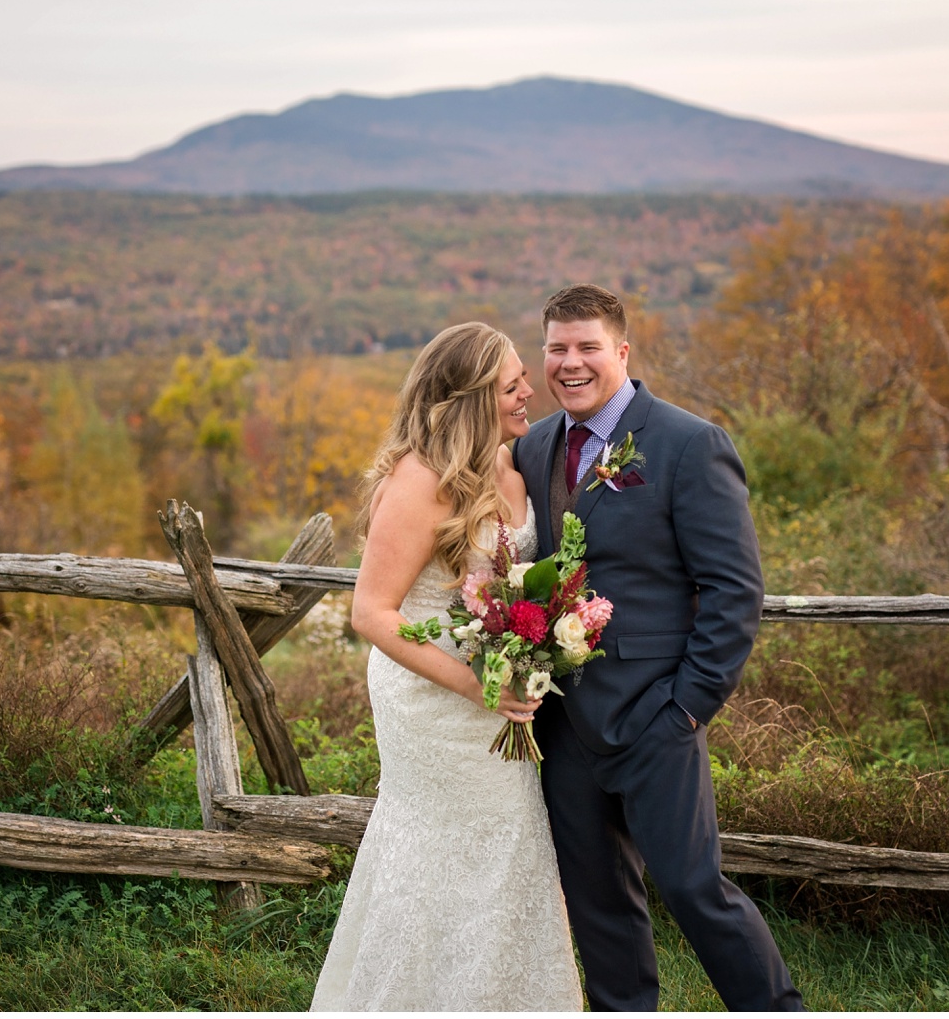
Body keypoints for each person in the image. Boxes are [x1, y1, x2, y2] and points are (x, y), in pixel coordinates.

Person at [513, 284, 804, 1011]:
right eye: (556, 348)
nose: (569, 363)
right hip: (564, 726)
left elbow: (734, 591)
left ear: (622, 352)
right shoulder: (534, 445)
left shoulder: (687, 442)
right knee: (597, 903)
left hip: (657, 718)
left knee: (693, 888)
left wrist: (687, 709)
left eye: (586, 347)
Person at [310, 322, 582, 1012]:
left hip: (505, 689)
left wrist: (533, 649)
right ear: (468, 398)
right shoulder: (420, 478)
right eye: (511, 384)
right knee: (437, 852)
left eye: (525, 375)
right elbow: (372, 613)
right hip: (433, 701)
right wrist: (476, 684)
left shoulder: (517, 465)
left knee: (510, 843)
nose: (530, 391)